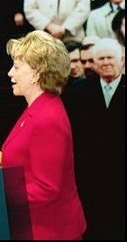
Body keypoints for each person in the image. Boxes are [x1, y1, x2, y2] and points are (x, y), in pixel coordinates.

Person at [1, 30, 86, 239]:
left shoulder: (47, 117)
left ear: (37, 73)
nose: (10, 73)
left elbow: (46, 188)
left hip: (49, 230)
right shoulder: (38, 108)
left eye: (17, 67)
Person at [65, 38, 125, 239]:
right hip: (90, 178)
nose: (106, 62)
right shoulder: (79, 91)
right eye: (101, 58)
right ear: (94, 63)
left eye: (111, 58)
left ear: (122, 60)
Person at [23, 0, 91, 42]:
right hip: (44, 40)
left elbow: (83, 7)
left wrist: (65, 28)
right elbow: (29, 9)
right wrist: (49, 26)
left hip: (73, 40)